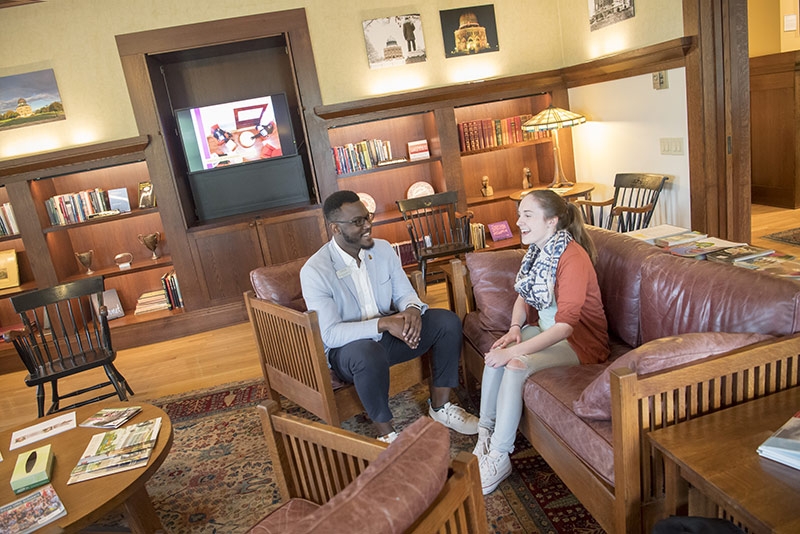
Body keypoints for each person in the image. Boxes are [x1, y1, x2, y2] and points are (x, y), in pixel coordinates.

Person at [300, 190, 478, 443]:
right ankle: (387, 435)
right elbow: (330, 333)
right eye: (357, 221)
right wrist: (384, 324)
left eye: (367, 217)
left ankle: (440, 407)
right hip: (348, 353)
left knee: (446, 322)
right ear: (335, 229)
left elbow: (405, 293)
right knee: (367, 353)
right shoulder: (315, 271)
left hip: (391, 336)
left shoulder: (382, 250)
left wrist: (412, 310)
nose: (367, 225)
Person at [474, 189, 609, 494]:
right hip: (545, 329)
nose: (519, 221)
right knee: (498, 351)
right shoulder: (538, 251)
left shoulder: (572, 257)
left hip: (580, 342)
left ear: (552, 221)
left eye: (527, 215)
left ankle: (499, 455)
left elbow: (564, 329)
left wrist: (515, 352)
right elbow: (523, 296)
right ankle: (485, 434)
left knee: (515, 363)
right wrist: (512, 330)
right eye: (519, 213)